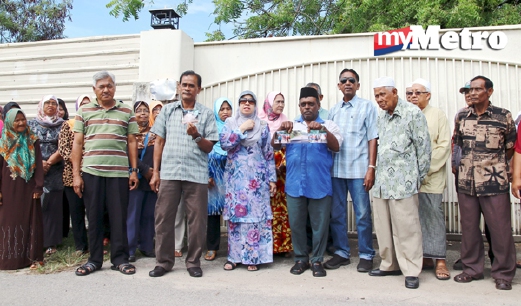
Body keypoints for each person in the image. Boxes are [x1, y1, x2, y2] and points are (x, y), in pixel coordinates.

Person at [149, 70, 218, 278]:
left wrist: (196, 135)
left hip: (195, 174)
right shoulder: (168, 111)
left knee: (197, 221)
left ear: (199, 89)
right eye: (184, 85)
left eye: (191, 85)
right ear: (179, 87)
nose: (187, 88)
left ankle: (193, 262)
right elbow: (159, 142)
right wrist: (156, 172)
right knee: (163, 218)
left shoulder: (205, 114)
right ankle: (164, 262)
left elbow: (209, 147)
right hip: (170, 172)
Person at [72, 71, 139, 276]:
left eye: (109, 86)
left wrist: (134, 170)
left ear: (115, 88)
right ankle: (94, 260)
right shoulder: (84, 111)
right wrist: (76, 174)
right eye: (101, 86)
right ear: (94, 90)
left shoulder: (127, 111)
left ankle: (120, 259)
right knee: (94, 216)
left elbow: (132, 142)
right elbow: (78, 142)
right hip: (91, 172)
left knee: (119, 217)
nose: (105, 89)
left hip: (118, 173)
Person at [453, 75, 517, 290]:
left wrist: (494, 164)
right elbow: (458, 144)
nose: (471, 93)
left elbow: (510, 147)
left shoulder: (503, 116)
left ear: (489, 92)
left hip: (493, 181)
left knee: (500, 229)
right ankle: (471, 269)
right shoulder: (462, 116)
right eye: (469, 90)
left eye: (477, 89)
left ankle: (503, 274)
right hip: (466, 181)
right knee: (469, 228)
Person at [369, 76, 431, 289]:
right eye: (376, 95)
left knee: (407, 228)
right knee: (383, 227)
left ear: (394, 92)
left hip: (403, 182)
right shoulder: (381, 117)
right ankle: (389, 264)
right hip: (382, 182)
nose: (379, 99)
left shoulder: (413, 114)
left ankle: (411, 270)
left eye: (382, 94)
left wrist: (417, 178)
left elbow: (424, 150)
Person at [273, 87, 342, 277]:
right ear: (299, 106)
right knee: (296, 224)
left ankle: (317, 261)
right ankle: (301, 259)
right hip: (295, 184)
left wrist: (323, 130)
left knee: (320, 226)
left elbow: (336, 147)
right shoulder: (292, 127)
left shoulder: (329, 125)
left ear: (319, 105)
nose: (307, 107)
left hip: (319, 184)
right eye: (303, 104)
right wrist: (279, 130)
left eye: (311, 104)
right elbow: (275, 145)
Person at [325, 68, 378, 273]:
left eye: (351, 80)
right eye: (343, 80)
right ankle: (342, 253)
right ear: (339, 86)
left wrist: (371, 168)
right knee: (337, 214)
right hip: (336, 171)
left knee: (363, 214)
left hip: (358, 170)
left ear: (358, 85)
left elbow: (373, 138)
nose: (347, 83)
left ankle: (366, 254)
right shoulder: (333, 110)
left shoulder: (367, 107)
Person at [221, 90, 276, 272]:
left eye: (250, 101)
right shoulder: (230, 123)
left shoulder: (263, 125)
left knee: (254, 219)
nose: (246, 104)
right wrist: (242, 128)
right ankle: (234, 257)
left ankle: (253, 257)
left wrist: (272, 179)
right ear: (239, 104)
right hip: (236, 180)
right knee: (236, 219)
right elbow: (225, 144)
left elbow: (269, 154)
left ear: (255, 104)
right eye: (243, 101)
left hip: (257, 180)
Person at [409, 78, 451, 280]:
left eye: (418, 92)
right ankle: (424, 256)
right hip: (409, 178)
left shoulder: (437, 115)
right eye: (410, 93)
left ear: (428, 95)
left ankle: (440, 260)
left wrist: (424, 169)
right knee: (414, 218)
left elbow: (444, 145)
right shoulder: (407, 116)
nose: (413, 96)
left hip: (431, 176)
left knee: (433, 215)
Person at [0, 108, 45, 270]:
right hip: (8, 188)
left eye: (22, 119)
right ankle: (10, 260)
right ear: (9, 122)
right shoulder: (3, 142)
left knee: (30, 219)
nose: (20, 123)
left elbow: (38, 165)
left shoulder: (32, 140)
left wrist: (38, 186)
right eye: (16, 120)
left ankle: (33, 257)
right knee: (8, 221)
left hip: (29, 188)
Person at [28, 95, 65, 256]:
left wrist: (48, 163)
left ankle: (51, 243)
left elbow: (64, 147)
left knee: (53, 207)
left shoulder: (63, 125)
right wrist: (39, 163)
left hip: (55, 171)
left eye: (54, 103)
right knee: (36, 206)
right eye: (47, 103)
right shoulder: (31, 124)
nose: (51, 106)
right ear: (41, 106)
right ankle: (34, 240)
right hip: (34, 169)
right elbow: (27, 145)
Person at [258, 91, 292, 256]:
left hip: (282, 170)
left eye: (282, 102)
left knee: (282, 208)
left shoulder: (285, 120)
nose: (280, 105)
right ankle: (267, 246)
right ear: (269, 103)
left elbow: (287, 144)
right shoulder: (260, 121)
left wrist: (282, 164)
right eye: (277, 101)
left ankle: (283, 246)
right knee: (266, 206)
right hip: (264, 167)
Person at [58, 95, 91, 255]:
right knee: (76, 211)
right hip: (71, 175)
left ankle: (95, 244)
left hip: (92, 174)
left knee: (93, 212)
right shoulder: (68, 125)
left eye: (88, 104)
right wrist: (78, 160)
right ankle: (80, 246)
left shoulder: (94, 123)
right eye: (82, 105)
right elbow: (63, 148)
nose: (85, 107)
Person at [126, 101, 157, 262]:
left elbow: (158, 153)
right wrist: (145, 170)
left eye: (146, 111)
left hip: (151, 179)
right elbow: (128, 154)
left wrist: (154, 173)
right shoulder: (129, 133)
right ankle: (130, 249)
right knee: (133, 214)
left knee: (148, 214)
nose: (143, 114)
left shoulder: (154, 134)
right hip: (135, 178)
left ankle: (146, 246)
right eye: (139, 111)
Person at [204, 97, 233, 261]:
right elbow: (205, 152)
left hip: (231, 177)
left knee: (233, 212)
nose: (225, 112)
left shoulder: (235, 129)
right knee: (213, 213)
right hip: (214, 176)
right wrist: (207, 174)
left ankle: (233, 246)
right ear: (216, 111)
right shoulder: (211, 129)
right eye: (221, 109)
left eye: (228, 108)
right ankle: (212, 247)